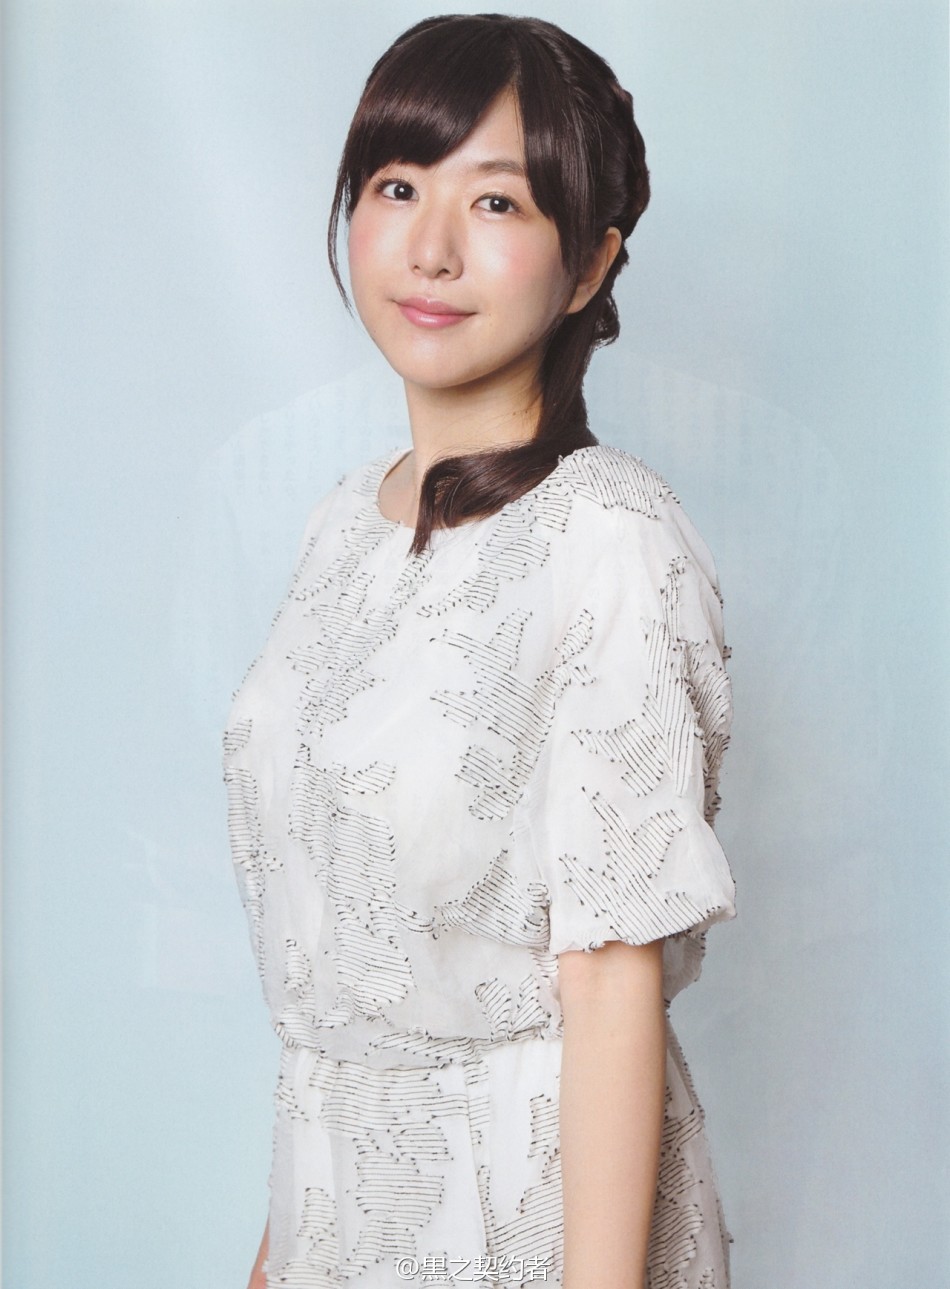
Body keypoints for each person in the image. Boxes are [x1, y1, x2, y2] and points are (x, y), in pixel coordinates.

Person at [224, 14, 737, 1289]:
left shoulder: (604, 535)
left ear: (588, 262)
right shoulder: (342, 524)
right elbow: (335, 991)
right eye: (398, 186)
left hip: (522, 1217)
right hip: (337, 1217)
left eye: (496, 199)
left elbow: (609, 983)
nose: (431, 247)